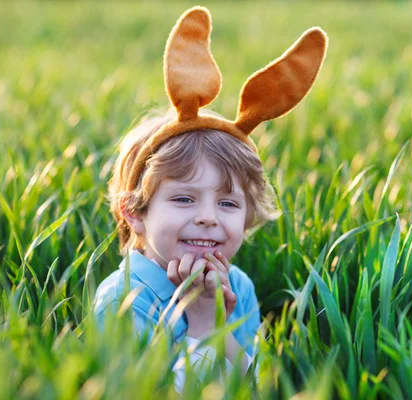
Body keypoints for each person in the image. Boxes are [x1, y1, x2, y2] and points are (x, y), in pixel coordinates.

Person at [92, 6, 327, 392]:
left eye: (228, 203)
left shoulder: (238, 286)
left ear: (248, 217)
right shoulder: (126, 300)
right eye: (184, 199)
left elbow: (254, 387)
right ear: (134, 212)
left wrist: (218, 322)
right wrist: (202, 322)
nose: (207, 217)